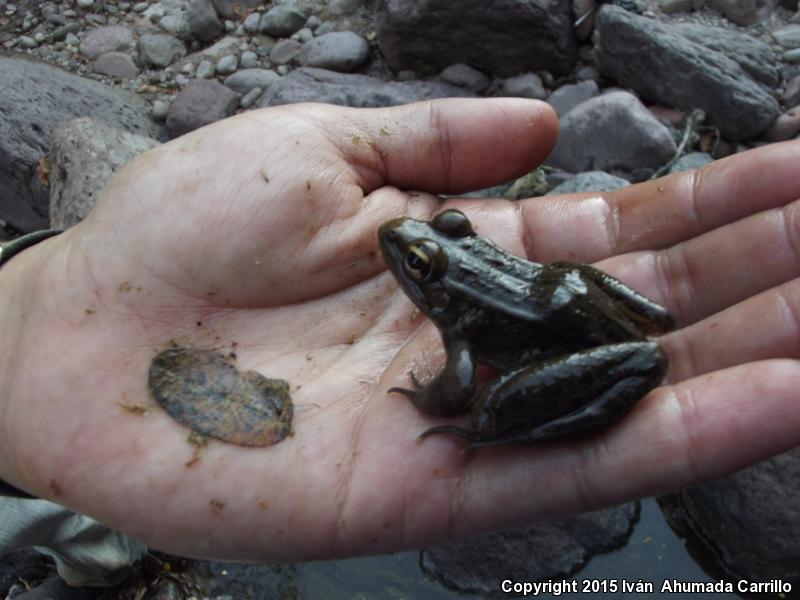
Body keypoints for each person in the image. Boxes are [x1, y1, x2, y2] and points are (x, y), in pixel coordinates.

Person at [0, 98, 798, 571]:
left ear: (432, 276)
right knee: (573, 288)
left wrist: (448, 410)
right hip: (576, 303)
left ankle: (508, 425)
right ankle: (637, 331)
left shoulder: (452, 316)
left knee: (488, 408)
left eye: (423, 253)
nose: (406, 247)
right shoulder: (457, 284)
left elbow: (454, 382)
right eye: (429, 245)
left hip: (553, 341)